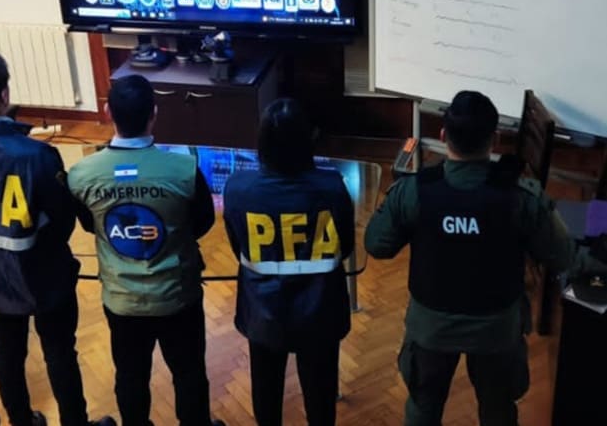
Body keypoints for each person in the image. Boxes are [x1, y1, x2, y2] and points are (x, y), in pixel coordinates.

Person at [364, 90, 574, 426]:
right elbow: (563, 255)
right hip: (496, 331)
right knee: (498, 412)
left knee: (423, 408)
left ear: (443, 135)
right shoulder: (520, 198)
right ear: (495, 139)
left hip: (431, 329)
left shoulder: (415, 191)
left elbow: (376, 245)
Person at [0, 50, 114, 426]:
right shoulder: (37, 155)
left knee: (8, 349)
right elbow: (62, 220)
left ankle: (20, 420)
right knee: (60, 352)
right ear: (4, 94)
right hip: (44, 275)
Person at [68, 74, 224, 426]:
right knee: (189, 374)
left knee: (130, 375)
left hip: (121, 300)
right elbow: (202, 222)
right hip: (178, 296)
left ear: (108, 113)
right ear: (154, 113)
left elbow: (90, 224)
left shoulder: (80, 174)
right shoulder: (184, 170)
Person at [222, 98, 354, 426]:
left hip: (263, 312)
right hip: (321, 313)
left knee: (266, 393)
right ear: (308, 139)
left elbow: (238, 246)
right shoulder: (333, 187)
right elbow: (346, 246)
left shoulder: (237, 188)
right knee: (321, 398)